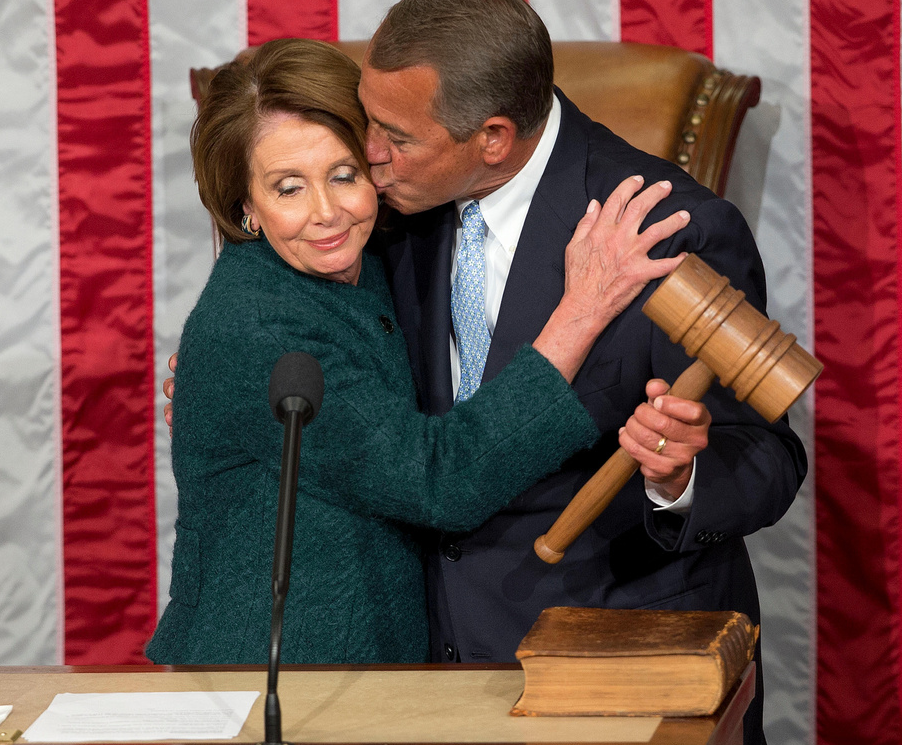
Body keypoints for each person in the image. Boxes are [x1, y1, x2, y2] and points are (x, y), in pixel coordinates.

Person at [356, 0, 806, 745]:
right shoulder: (384, 214)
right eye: (368, 119)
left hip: (611, 676)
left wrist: (684, 470)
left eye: (395, 134)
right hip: (420, 675)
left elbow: (768, 457)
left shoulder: (671, 229)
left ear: (493, 136)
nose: (368, 154)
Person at [146, 37, 690, 665]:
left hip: (387, 668)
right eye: (288, 188)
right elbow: (440, 480)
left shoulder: (377, 255)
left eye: (344, 175)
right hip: (274, 678)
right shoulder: (257, 326)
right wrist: (583, 309)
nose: (327, 213)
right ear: (247, 206)